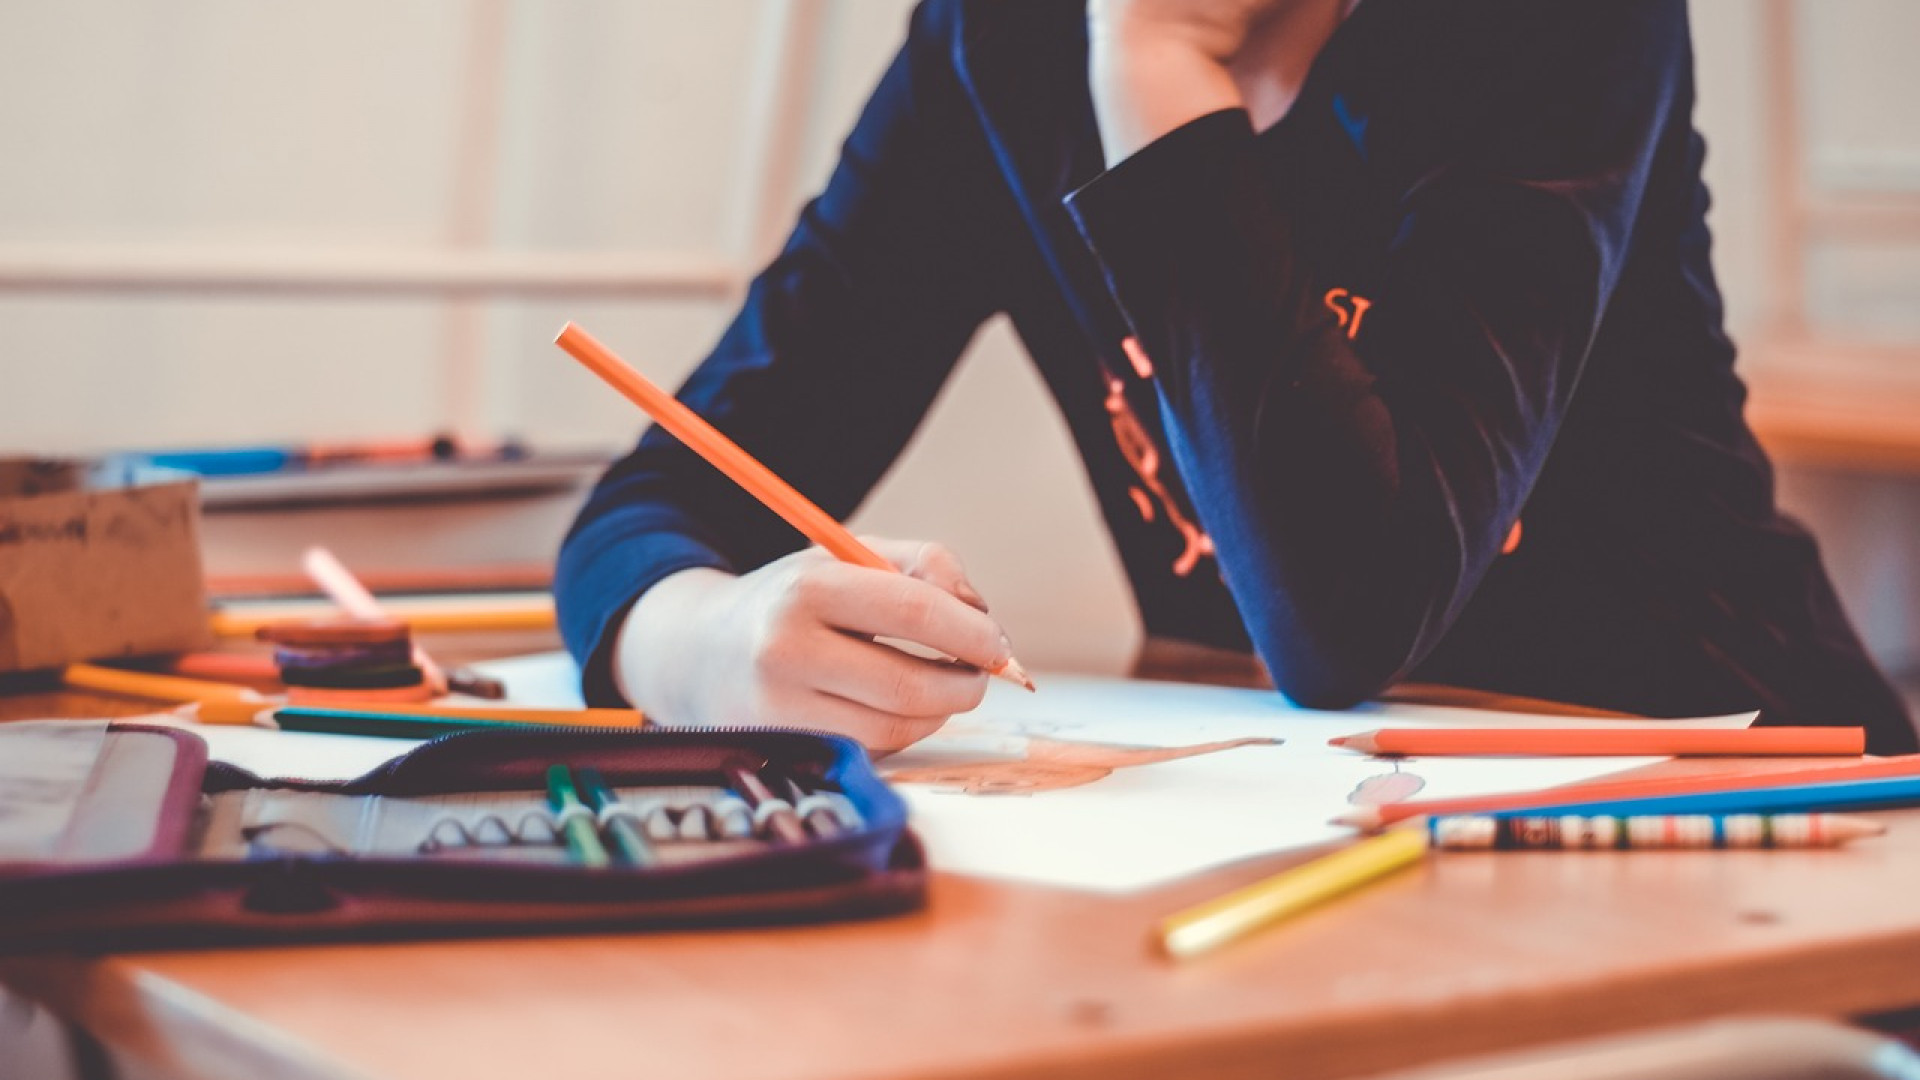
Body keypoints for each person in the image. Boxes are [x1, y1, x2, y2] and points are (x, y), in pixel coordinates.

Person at [556, 0, 1920, 756]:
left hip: (1722, 788)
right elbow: (665, 492)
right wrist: (695, 644)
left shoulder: (1546, 31)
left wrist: (1152, 70)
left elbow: (1348, 621)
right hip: (1306, 818)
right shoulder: (1000, 48)